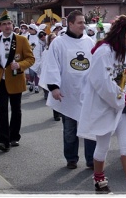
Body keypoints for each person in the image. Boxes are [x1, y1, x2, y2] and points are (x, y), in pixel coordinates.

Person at [77, 15, 126, 195]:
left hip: (121, 105)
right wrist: (120, 97)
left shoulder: (122, 51)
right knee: (102, 145)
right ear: (121, 34)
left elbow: (124, 77)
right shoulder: (103, 52)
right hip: (105, 105)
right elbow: (100, 81)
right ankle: (98, 179)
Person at [41, 10, 96, 169]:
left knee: (89, 128)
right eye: (80, 23)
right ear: (70, 24)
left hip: (87, 92)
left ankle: (92, 159)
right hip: (68, 92)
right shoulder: (59, 42)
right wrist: (54, 87)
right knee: (70, 130)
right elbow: (52, 65)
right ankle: (71, 158)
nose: (83, 26)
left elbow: (96, 64)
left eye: (84, 22)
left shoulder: (89, 42)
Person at [0, 10, 35, 152]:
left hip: (15, 79)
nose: (7, 26)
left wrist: (20, 65)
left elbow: (31, 59)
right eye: (4, 24)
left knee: (16, 109)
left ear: (13, 25)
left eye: (9, 23)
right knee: (1, 110)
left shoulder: (22, 40)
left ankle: (14, 136)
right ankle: (2, 140)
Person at [38, 32, 62, 121]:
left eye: (55, 37)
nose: (54, 39)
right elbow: (44, 63)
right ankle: (56, 114)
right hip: (51, 75)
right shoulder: (47, 51)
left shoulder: (60, 49)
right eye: (52, 38)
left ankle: (61, 112)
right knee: (53, 95)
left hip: (60, 75)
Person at [29, 30, 46, 94]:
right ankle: (31, 83)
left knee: (38, 74)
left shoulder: (45, 43)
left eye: (44, 35)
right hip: (34, 61)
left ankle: (36, 86)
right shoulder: (35, 43)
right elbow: (30, 50)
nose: (43, 37)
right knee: (32, 74)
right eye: (41, 36)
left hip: (41, 61)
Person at [27, 24, 40, 93]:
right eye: (29, 29)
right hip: (30, 57)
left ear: (35, 30)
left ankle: (36, 86)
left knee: (37, 73)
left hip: (38, 57)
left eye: (31, 29)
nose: (30, 30)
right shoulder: (28, 37)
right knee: (31, 73)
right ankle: (31, 83)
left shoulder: (38, 36)